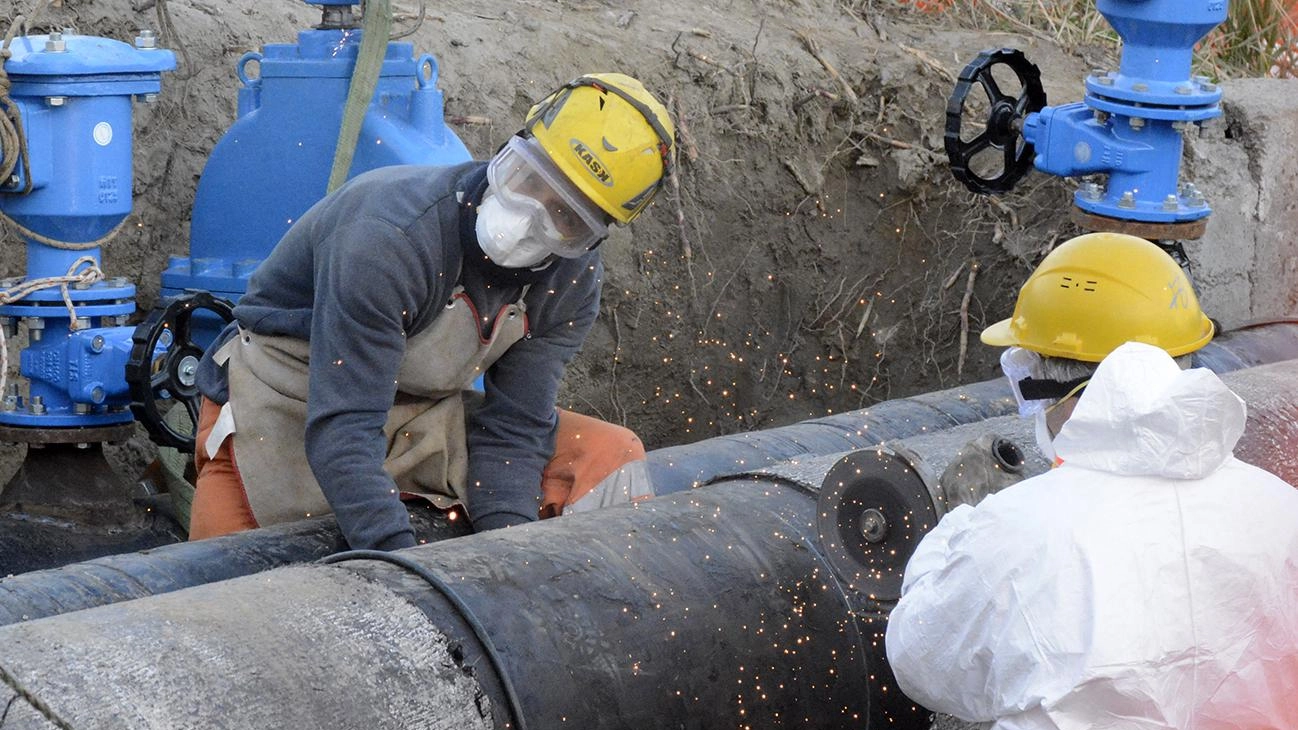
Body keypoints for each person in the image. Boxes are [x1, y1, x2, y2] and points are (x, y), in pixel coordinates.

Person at [190, 73, 673, 550]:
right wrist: (405, 567)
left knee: (611, 453)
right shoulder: (389, 237)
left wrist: (510, 555)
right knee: (227, 590)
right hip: (289, 406)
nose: (528, 219)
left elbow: (513, 432)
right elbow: (343, 430)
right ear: (511, 150)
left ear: (590, 237)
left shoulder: (570, 281)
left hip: (423, 412)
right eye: (527, 181)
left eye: (565, 218)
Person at [885, 232, 1298, 728]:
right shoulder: (1280, 507)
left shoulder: (1015, 535)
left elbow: (922, 660)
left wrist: (958, 532)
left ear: (1059, 387)